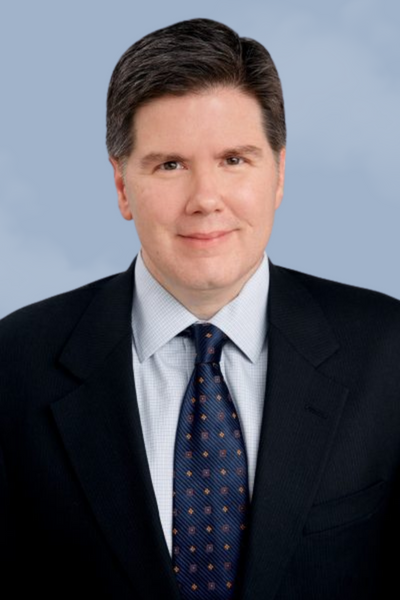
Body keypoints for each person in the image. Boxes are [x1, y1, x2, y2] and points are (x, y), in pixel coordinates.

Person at [0, 17, 399, 600]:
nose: (205, 199)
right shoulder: (14, 363)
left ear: (279, 173)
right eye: (170, 165)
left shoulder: (388, 352)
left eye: (234, 160)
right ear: (121, 186)